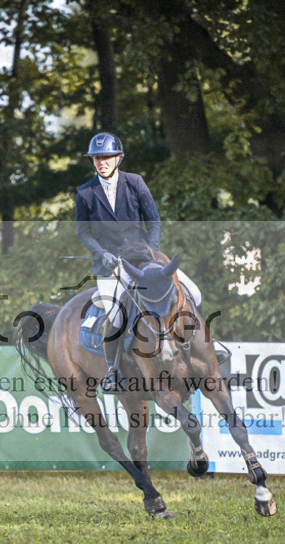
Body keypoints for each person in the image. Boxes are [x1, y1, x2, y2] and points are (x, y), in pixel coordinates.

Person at [75, 132, 203, 393]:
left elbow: (153, 220)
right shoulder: (85, 193)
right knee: (114, 313)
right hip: (111, 265)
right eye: (98, 158)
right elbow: (84, 232)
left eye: (107, 157)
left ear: (118, 158)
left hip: (146, 261)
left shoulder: (135, 183)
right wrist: (101, 254)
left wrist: (153, 253)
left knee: (194, 293)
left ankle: (205, 350)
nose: (102, 162)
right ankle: (112, 370)